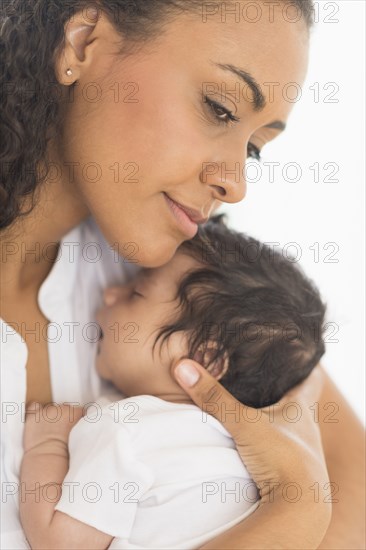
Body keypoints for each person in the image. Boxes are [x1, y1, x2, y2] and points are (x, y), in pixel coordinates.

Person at [1, 1, 364, 548]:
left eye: (255, 150)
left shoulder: (169, 276)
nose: (237, 185)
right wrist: (293, 510)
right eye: (220, 108)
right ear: (82, 45)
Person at [19, 216, 327, 549]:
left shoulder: (126, 430)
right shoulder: (249, 454)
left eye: (136, 293)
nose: (110, 294)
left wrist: (46, 445)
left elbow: (61, 543)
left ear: (204, 360)